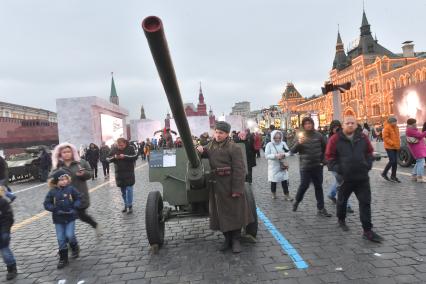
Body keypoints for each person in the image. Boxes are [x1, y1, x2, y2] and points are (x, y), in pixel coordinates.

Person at [196, 121, 253, 253]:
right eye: (216, 132)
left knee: (234, 213)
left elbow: (239, 169)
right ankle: (227, 239)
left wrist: (237, 189)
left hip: (230, 184)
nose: (218, 135)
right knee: (221, 214)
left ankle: (236, 240)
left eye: (221, 133)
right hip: (217, 185)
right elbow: (202, 152)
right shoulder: (211, 146)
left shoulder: (234, 148)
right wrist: (199, 149)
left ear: (227, 134)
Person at [326, 116, 383, 242]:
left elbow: (369, 152)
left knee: (365, 203)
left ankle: (367, 230)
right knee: (342, 201)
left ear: (356, 125)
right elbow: (329, 157)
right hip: (345, 178)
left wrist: (367, 165)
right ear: (343, 125)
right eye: (348, 123)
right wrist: (340, 170)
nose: (350, 125)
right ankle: (341, 220)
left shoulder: (362, 138)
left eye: (353, 123)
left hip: (362, 177)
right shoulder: (335, 139)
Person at [51, 143, 101, 236]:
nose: (66, 154)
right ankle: (70, 243)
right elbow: (51, 178)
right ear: (60, 153)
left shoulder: (81, 162)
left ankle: (94, 224)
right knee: (67, 220)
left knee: (82, 216)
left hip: (79, 195)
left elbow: (90, 173)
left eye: (68, 151)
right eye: (64, 152)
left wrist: (84, 173)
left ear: (73, 152)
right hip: (64, 198)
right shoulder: (57, 165)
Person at [291, 117, 331, 217]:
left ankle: (321, 208)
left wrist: (324, 161)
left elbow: (326, 148)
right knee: (304, 185)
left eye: (310, 123)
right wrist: (298, 143)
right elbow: (292, 150)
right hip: (305, 166)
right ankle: (297, 200)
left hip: (317, 166)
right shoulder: (300, 136)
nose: (308, 125)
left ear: (313, 124)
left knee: (318, 186)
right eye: (306, 123)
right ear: (303, 125)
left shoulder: (319, 135)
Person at [43, 170, 81, 269]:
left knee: (69, 235)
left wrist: (75, 207)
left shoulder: (71, 189)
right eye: (61, 180)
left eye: (65, 179)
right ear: (56, 181)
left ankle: (74, 246)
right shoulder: (52, 192)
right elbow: (46, 204)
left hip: (70, 216)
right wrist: (54, 209)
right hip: (58, 218)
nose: (64, 181)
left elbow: (78, 198)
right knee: (60, 238)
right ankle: (63, 258)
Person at [326, 120, 354, 213]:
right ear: (331, 128)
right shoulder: (330, 138)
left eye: (337, 127)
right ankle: (347, 205)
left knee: (340, 183)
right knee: (342, 185)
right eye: (334, 127)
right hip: (335, 165)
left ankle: (331, 194)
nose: (336, 129)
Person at [107, 138, 139, 214]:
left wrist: (125, 156)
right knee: (123, 192)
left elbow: (135, 156)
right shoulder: (114, 149)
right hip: (119, 174)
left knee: (129, 189)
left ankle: (129, 205)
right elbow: (107, 159)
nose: (120, 147)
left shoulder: (130, 148)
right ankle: (126, 205)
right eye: (118, 145)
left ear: (125, 143)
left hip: (129, 173)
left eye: (121, 145)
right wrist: (114, 157)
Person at [265, 130, 293, 201]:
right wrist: (275, 156)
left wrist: (283, 155)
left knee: (284, 180)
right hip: (273, 166)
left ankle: (287, 195)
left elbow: (288, 152)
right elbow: (266, 155)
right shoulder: (269, 145)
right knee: (273, 181)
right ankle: (273, 193)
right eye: (275, 138)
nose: (277, 139)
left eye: (279, 138)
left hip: (282, 165)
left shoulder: (283, 144)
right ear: (273, 137)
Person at [0, 186, 17, 280]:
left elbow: (8, 218)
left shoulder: (2, 202)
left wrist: (5, 231)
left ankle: (11, 267)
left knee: (5, 251)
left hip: (2, 231)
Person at [381, 117, 401, 183]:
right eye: (394, 122)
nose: (396, 123)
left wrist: (398, 145)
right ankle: (384, 173)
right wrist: (392, 143)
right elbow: (385, 137)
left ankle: (393, 176)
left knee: (395, 162)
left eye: (396, 122)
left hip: (395, 147)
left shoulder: (396, 127)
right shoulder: (386, 128)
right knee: (392, 161)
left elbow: (397, 137)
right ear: (390, 122)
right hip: (389, 147)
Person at [406, 118, 426, 183]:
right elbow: (420, 135)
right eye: (414, 124)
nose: (415, 125)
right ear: (410, 125)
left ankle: (414, 176)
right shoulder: (410, 130)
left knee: (418, 162)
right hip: (417, 148)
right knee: (421, 162)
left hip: (417, 148)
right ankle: (420, 177)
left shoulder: (410, 130)